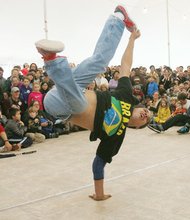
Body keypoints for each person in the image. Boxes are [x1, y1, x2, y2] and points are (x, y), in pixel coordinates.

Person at [35, 5, 151, 201]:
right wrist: (132, 38)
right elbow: (125, 65)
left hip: (58, 106)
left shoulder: (117, 136)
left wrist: (100, 195)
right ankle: (118, 18)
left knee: (80, 105)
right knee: (99, 62)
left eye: (148, 119)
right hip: (71, 86)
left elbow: (99, 163)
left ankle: (52, 60)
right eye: (148, 111)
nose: (148, 114)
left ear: (138, 127)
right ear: (140, 107)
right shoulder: (125, 95)